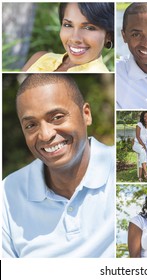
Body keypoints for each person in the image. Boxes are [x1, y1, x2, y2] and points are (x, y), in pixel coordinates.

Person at [2, 74, 114, 257]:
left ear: (86, 114)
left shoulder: (123, 170)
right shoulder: (8, 194)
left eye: (57, 117)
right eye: (31, 125)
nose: (45, 135)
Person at [22, 3, 114, 72]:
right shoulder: (40, 58)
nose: (74, 38)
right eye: (68, 25)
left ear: (108, 36)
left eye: (89, 28)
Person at [133, 111, 147, 182]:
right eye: (145, 116)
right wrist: (143, 145)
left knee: (142, 155)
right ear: (142, 117)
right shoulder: (139, 124)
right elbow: (138, 136)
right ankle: (146, 173)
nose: (146, 117)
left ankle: (140, 177)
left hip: (144, 145)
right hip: (137, 144)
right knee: (143, 151)